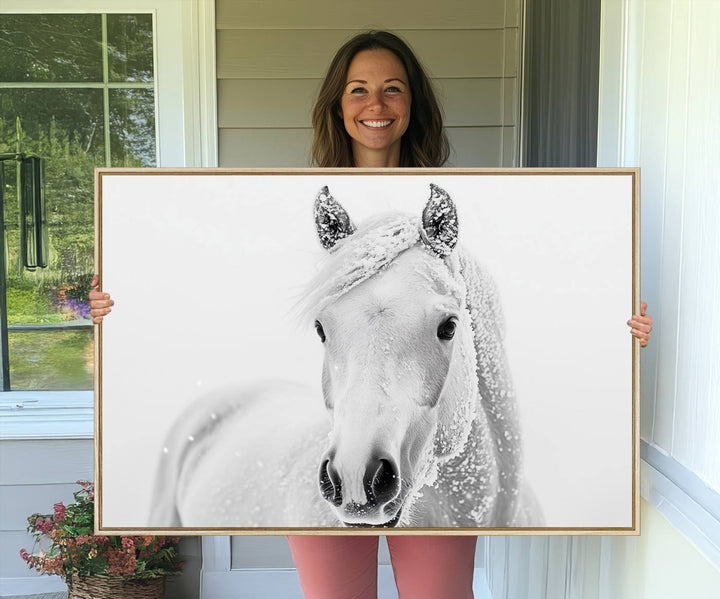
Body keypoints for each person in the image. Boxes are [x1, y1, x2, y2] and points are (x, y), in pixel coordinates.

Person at [89, 30, 653, 598]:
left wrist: (619, 325)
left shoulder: (464, 206)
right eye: (358, 90)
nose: (375, 105)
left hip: (425, 444)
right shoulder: (298, 199)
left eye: (393, 90)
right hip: (347, 431)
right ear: (338, 105)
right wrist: (119, 308)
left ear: (413, 105)